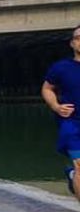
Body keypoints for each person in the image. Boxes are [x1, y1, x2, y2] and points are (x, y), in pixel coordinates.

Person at [40, 24, 80, 201]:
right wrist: (56, 106)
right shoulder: (61, 67)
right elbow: (47, 88)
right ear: (72, 43)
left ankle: (72, 176)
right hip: (72, 123)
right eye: (78, 38)